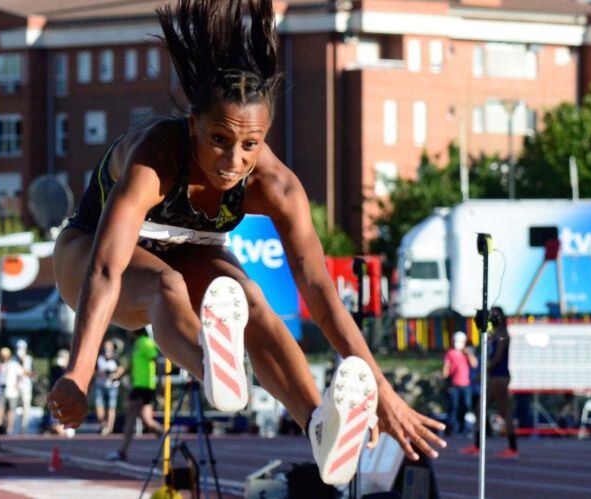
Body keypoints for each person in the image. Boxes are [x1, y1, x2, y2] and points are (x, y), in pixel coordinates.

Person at [45, 0, 444, 485]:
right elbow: (107, 269)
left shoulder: (275, 185)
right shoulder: (155, 156)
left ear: (264, 138)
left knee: (250, 297)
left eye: (249, 145)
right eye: (218, 139)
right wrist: (79, 373)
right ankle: (212, 363)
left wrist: (382, 389)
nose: (233, 160)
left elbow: (319, 293)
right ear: (193, 124)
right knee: (165, 286)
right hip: (89, 252)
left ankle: (317, 424)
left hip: (191, 248)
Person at [462, 307, 519, 458]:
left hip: (499, 377)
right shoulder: (495, 335)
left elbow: (496, 359)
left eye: (495, 315)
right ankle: (479, 444)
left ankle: (510, 447)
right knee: (483, 408)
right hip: (494, 376)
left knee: (501, 411)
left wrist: (483, 372)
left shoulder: (503, 335)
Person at [107, 328, 165, 461]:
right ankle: (170, 440)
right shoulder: (137, 344)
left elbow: (157, 360)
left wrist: (161, 382)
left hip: (144, 386)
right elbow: (132, 366)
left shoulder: (146, 342)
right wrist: (118, 376)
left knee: (130, 417)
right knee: (148, 421)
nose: (127, 332)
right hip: (139, 386)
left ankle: (122, 451)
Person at [442, 331, 475, 435]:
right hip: (454, 385)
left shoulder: (466, 353)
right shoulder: (450, 353)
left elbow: (474, 364)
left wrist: (468, 353)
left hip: (465, 385)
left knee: (465, 406)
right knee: (453, 407)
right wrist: (445, 378)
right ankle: (450, 429)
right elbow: (446, 368)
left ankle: (462, 427)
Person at [0, 347, 25, 434]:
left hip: (12, 392)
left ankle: (9, 429)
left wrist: (17, 384)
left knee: (11, 411)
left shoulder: (14, 364)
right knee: (0, 409)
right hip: (0, 390)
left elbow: (22, 374)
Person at [95, 339, 124, 435]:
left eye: (109, 347)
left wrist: (114, 375)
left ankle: (109, 428)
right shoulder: (99, 358)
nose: (107, 349)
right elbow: (94, 371)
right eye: (105, 347)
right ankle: (103, 424)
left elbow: (121, 369)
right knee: (99, 405)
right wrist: (101, 373)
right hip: (100, 385)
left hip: (112, 386)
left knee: (111, 407)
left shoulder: (116, 358)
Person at [13, 339, 35, 434]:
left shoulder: (29, 359)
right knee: (13, 406)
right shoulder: (13, 359)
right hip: (15, 387)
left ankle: (24, 427)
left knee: (26, 405)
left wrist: (26, 372)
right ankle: (12, 427)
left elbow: (33, 373)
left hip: (26, 386)